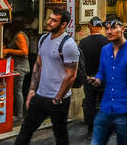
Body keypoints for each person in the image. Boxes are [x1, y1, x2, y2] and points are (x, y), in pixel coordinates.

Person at [15, 8, 79, 145]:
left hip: (58, 99)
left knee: (60, 135)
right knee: (25, 131)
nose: (49, 22)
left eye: (54, 20)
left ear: (63, 25)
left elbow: (71, 75)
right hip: (40, 96)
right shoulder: (43, 38)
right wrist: (32, 90)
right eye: (49, 18)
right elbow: (38, 65)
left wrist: (57, 99)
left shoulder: (69, 45)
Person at [88, 16, 127, 145]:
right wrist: (98, 79)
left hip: (125, 111)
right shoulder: (105, 50)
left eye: (113, 28)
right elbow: (102, 71)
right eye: (107, 28)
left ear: (122, 28)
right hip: (104, 109)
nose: (109, 32)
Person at [79, 17, 108, 136]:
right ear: (100, 27)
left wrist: (84, 76)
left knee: (90, 103)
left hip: (89, 79)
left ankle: (91, 129)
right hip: (104, 79)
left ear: (90, 26)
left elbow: (80, 62)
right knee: (103, 103)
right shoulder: (107, 42)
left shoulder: (83, 42)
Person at [3, 22, 31, 120]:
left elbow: (24, 52)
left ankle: (18, 114)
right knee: (16, 90)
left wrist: (8, 51)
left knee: (17, 91)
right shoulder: (18, 35)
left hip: (20, 67)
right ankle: (17, 113)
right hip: (18, 66)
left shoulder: (19, 35)